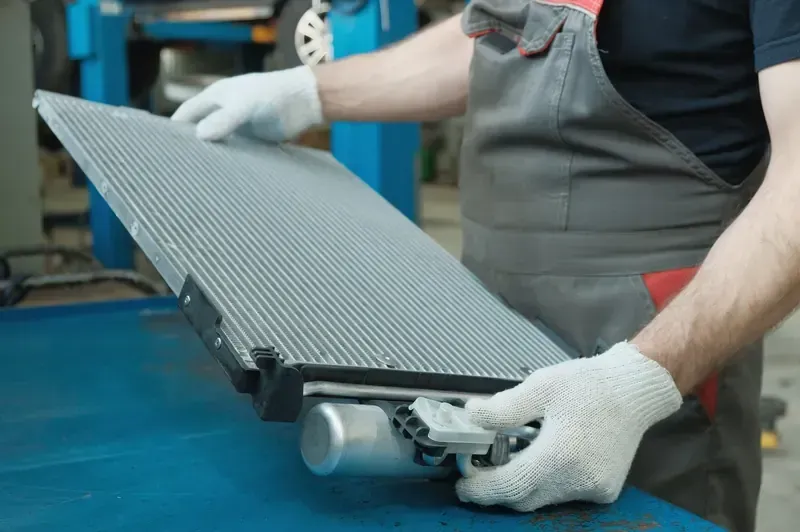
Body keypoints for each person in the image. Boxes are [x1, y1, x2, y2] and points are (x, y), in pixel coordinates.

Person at [172, 2, 800, 531]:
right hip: (486, 316)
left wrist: (640, 381)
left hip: (651, 332)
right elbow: (495, 33)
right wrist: (308, 92)